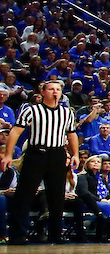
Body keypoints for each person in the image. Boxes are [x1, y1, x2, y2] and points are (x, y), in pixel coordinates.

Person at [0, 80, 80, 244]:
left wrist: (75, 154)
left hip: (57, 154)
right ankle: (17, 235)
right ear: (43, 92)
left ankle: (55, 235)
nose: (55, 92)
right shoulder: (32, 110)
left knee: (57, 196)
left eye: (58, 89)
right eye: (51, 89)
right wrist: (8, 154)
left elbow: (71, 134)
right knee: (24, 195)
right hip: (36, 153)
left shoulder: (67, 113)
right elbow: (15, 132)